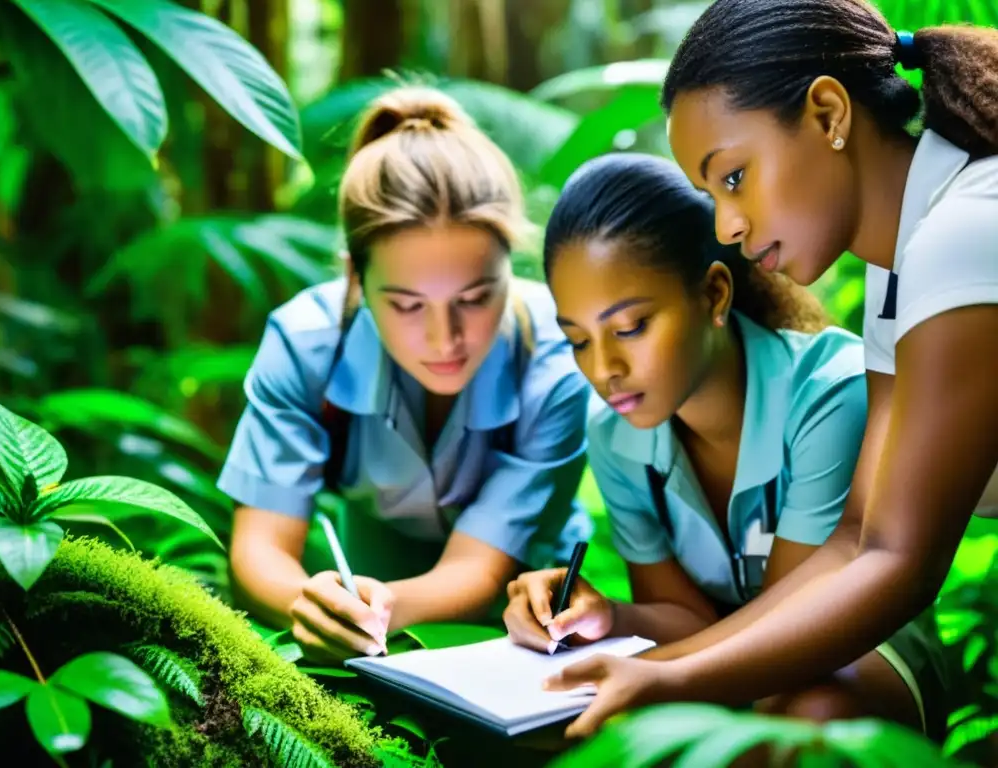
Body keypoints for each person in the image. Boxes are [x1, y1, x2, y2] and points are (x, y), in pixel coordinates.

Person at [540, 0, 997, 739]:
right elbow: (856, 537)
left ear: (827, 113)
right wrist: (658, 669)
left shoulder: (962, 237)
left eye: (733, 177)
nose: (726, 228)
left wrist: (674, 676)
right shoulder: (901, 272)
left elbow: (900, 560)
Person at [503, 152, 950, 742]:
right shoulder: (615, 434)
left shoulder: (827, 394)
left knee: (804, 720)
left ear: (714, 294)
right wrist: (607, 617)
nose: (605, 368)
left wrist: (651, 674)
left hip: (856, 651)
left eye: (630, 327)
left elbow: (793, 620)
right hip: (708, 665)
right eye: (579, 340)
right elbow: (682, 618)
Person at [216, 85, 592, 662]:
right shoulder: (305, 344)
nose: (446, 338)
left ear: (509, 270)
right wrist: (308, 604)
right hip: (371, 582)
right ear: (354, 280)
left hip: (533, 618)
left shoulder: (556, 354)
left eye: (475, 296)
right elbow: (260, 546)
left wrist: (373, 608)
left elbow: (480, 569)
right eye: (408, 305)